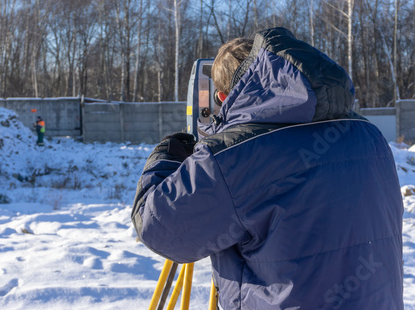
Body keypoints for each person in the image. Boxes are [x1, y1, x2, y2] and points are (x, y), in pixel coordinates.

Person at [131, 27, 403, 309]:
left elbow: (158, 229)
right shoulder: (369, 135)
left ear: (222, 98)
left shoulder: (231, 158)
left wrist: (167, 156)